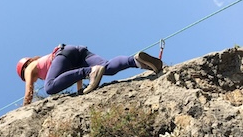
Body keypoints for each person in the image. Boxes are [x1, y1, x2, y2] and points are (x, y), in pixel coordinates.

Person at [16, 44, 163, 106]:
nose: (29, 78)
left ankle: (91, 72)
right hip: (77, 52)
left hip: (63, 54)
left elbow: (29, 90)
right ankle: (136, 61)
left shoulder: (30, 68)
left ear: (25, 67)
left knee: (49, 87)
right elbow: (73, 73)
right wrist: (80, 91)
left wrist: (25, 107)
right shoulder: (46, 66)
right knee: (106, 68)